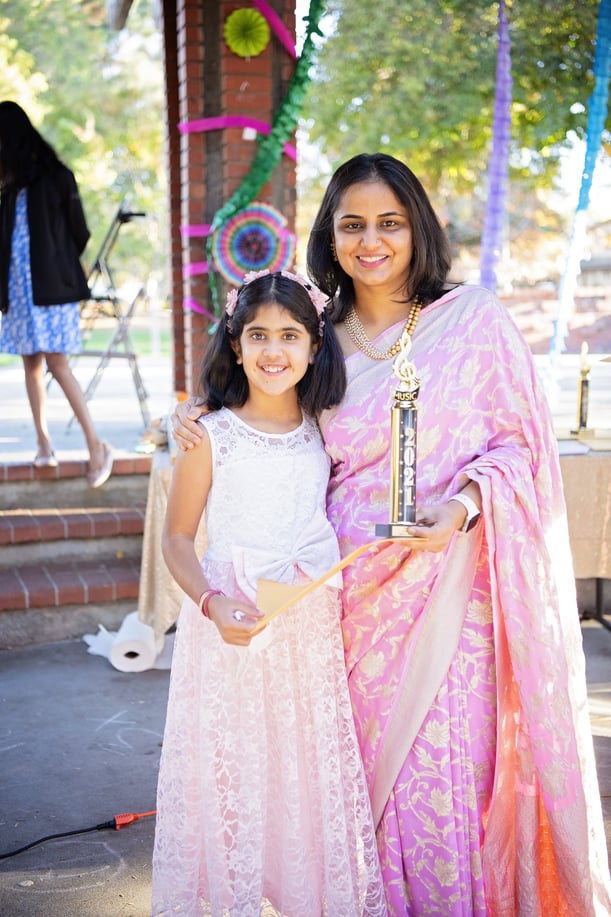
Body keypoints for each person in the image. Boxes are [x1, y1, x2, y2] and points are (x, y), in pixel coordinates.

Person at [171, 154, 611, 915]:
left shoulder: (472, 320)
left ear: (418, 229)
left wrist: (463, 506)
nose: (370, 241)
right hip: (340, 596)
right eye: (352, 224)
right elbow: (254, 396)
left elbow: (521, 448)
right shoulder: (318, 330)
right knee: (351, 792)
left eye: (389, 223)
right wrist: (190, 411)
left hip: (449, 592)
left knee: (440, 778)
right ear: (329, 234)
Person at [151, 270, 386, 916]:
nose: (273, 350)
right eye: (257, 335)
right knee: (236, 763)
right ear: (234, 343)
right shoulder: (211, 434)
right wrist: (210, 602)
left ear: (315, 345)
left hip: (306, 626)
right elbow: (177, 539)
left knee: (300, 767)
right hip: (233, 622)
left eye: (289, 335)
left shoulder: (325, 428)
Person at [0, 101, 113, 487]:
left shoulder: (58, 178)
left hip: (51, 288)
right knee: (30, 364)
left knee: (57, 364)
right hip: (19, 291)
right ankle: (43, 444)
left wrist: (58, 266)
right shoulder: (11, 189)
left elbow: (79, 232)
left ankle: (96, 446)